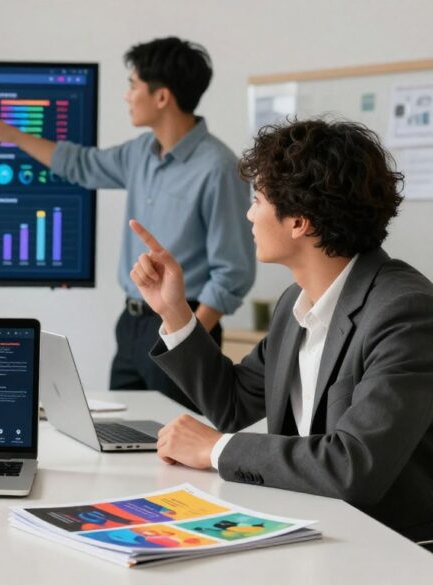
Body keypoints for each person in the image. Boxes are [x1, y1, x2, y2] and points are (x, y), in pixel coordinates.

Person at [131, 119, 433, 543]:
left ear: (300, 223)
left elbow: (352, 466)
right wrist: (175, 310)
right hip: (312, 530)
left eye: (257, 199)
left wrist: (215, 449)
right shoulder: (296, 302)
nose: (249, 213)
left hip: (389, 548)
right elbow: (233, 404)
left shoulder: (405, 311)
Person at [0, 37, 255, 411]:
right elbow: (81, 164)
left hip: (182, 322)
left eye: (133, 85)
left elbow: (233, 271)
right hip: (132, 324)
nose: (127, 96)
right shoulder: (140, 152)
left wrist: (186, 336)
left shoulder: (218, 167)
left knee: (174, 446)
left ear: (161, 97)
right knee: (121, 434)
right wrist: (11, 136)